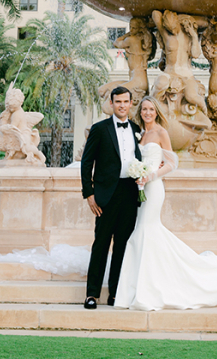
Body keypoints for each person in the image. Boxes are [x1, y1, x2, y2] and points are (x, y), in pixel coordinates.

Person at [114, 95, 217, 310]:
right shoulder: (139, 133)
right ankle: (140, 288)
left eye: (151, 109)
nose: (147, 113)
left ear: (156, 112)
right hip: (139, 188)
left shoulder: (161, 132)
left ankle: (150, 289)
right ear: (140, 112)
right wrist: (137, 174)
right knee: (143, 232)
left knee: (146, 230)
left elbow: (172, 162)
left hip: (154, 188)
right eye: (144, 109)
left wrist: (151, 175)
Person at [80, 85, 142, 309]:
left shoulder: (137, 130)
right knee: (101, 244)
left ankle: (115, 294)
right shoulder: (100, 129)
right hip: (106, 194)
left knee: (122, 246)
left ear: (131, 103)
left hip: (129, 193)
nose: (122, 105)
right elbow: (86, 162)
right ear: (111, 103)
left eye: (125, 102)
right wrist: (89, 193)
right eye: (118, 102)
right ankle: (92, 294)